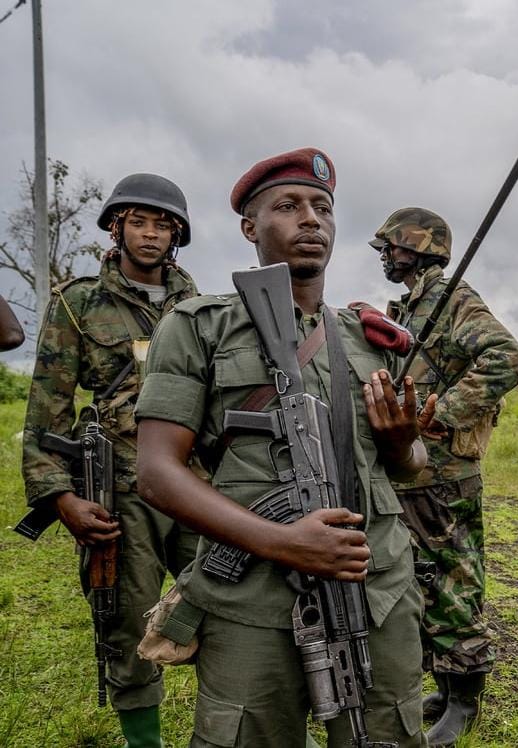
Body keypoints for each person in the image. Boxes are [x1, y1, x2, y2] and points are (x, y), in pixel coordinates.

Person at [134, 148, 432, 747]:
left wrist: (403, 444)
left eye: (322, 208)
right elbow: (157, 472)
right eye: (288, 206)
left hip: (376, 584)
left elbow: (412, 470)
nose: (310, 220)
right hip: (252, 593)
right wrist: (284, 542)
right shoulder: (198, 326)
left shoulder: (372, 341)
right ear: (250, 227)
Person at [22, 173, 199, 747]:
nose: (151, 234)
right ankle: (144, 741)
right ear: (117, 227)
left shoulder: (195, 301)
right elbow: (45, 413)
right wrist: (61, 497)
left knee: (230, 596)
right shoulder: (77, 303)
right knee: (128, 619)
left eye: (163, 225)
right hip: (122, 488)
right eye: (139, 222)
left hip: (195, 481)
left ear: (176, 235)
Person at [371, 206, 518, 747]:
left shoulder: (450, 297)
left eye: (393, 248)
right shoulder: (413, 305)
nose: (387, 257)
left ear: (417, 248)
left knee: (454, 587)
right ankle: (443, 685)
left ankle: (464, 700)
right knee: (421, 581)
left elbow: (508, 358)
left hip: (445, 476)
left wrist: (438, 413)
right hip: (414, 472)